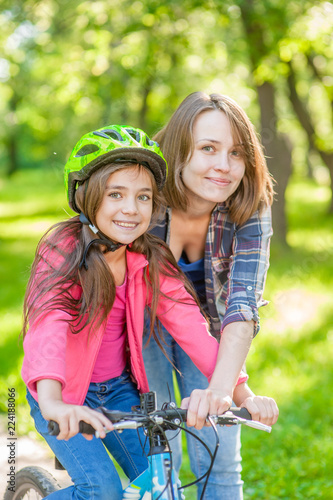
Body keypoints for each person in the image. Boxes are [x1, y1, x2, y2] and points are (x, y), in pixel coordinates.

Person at [21, 124, 276, 500]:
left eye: (143, 197)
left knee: (161, 483)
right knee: (101, 490)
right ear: (86, 196)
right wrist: (53, 401)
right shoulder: (64, 249)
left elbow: (190, 325)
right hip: (62, 391)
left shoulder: (148, 256)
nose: (130, 208)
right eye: (115, 194)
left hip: (120, 392)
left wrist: (242, 394)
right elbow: (50, 324)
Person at [143, 91, 278, 499]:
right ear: (180, 151)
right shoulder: (143, 193)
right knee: (160, 446)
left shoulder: (249, 203)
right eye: (208, 149)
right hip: (144, 322)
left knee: (218, 447)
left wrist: (224, 390)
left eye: (236, 152)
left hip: (212, 329)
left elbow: (242, 304)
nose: (224, 166)